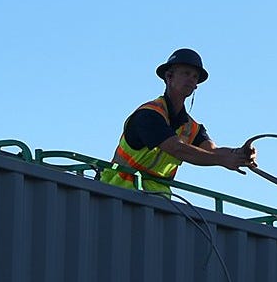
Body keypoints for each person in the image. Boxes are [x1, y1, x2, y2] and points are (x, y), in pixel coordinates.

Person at [101, 47, 256, 196]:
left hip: (156, 202)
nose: (191, 79)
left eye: (195, 77)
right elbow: (177, 149)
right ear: (169, 76)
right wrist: (222, 159)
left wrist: (239, 154)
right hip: (115, 193)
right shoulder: (149, 114)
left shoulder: (192, 127)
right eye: (186, 73)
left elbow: (212, 151)